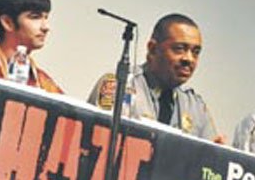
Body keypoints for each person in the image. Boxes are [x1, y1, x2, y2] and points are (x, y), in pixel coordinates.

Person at [88, 13, 220, 141]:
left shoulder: (196, 107)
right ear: (152, 49)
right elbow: (98, 140)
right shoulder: (120, 84)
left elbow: (213, 157)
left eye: (195, 52)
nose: (189, 59)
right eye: (179, 48)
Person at [0, 0, 63, 93]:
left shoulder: (45, 84)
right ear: (7, 22)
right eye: (35, 17)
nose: (46, 27)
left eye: (46, 17)